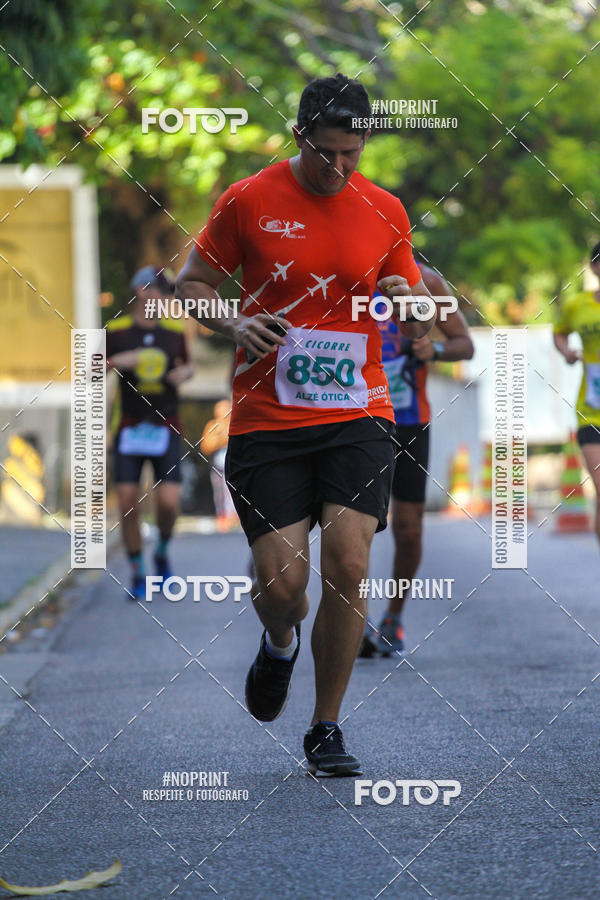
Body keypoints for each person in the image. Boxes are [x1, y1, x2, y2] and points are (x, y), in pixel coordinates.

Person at [176, 73, 436, 776]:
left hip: (360, 411)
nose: (340, 168)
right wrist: (234, 320)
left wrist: (404, 298)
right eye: (326, 153)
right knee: (282, 585)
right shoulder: (248, 199)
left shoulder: (385, 208)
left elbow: (410, 298)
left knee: (349, 564)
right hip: (268, 417)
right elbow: (191, 283)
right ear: (299, 138)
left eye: (353, 153)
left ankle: (326, 726)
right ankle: (279, 643)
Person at [359, 264, 474, 658]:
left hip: (408, 420)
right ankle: (354, 619)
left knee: (408, 530)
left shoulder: (428, 281)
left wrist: (435, 349)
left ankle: (392, 617)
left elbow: (465, 344)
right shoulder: (343, 269)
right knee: (351, 528)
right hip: (353, 421)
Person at [106, 266, 193, 600]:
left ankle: (162, 550)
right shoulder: (117, 330)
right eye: (157, 289)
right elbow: (90, 369)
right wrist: (119, 360)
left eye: (166, 291)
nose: (162, 296)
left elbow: (188, 366)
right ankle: (138, 570)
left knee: (169, 503)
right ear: (140, 290)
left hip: (167, 425)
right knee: (128, 502)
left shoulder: (174, 331)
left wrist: (183, 374)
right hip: (129, 426)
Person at [554, 241, 600, 544]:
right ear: (595, 267)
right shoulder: (577, 305)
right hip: (592, 409)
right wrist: (567, 352)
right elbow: (559, 332)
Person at [200, 399, 238, 531]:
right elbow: (206, 446)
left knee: (232, 491)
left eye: (226, 408)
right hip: (218, 465)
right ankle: (222, 517)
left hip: (233, 465)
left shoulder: (236, 423)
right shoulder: (212, 426)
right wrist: (220, 439)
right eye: (220, 409)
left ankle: (234, 517)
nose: (223, 412)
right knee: (219, 492)